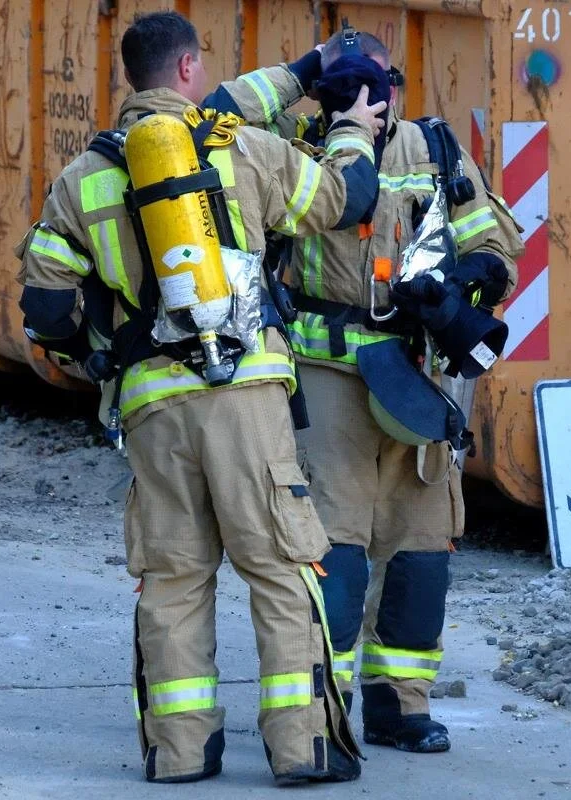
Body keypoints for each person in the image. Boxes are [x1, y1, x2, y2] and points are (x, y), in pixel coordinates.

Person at [14, 11, 388, 786]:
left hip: (152, 404)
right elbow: (346, 201)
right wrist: (352, 127)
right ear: (188, 69)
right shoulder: (241, 147)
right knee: (281, 566)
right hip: (247, 392)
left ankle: (181, 752)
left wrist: (101, 363)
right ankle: (302, 747)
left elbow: (46, 311)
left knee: (175, 578)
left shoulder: (80, 179)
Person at [207, 29, 525, 753]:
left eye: (377, 83)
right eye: (349, 81)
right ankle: (320, 707)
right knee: (334, 548)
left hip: (418, 374)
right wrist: (302, 79)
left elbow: (496, 244)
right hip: (327, 376)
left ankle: (399, 705)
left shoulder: (434, 148)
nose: (368, 97)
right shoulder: (293, 147)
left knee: (423, 548)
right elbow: (215, 122)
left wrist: (463, 285)